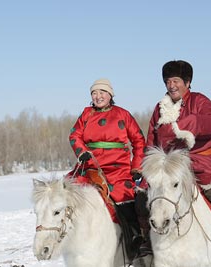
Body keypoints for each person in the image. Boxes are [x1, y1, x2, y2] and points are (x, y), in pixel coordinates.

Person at [146, 60, 211, 248]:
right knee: (145, 195)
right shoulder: (160, 108)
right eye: (167, 81)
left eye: (176, 81)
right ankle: (145, 239)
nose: (171, 85)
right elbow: (152, 137)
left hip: (201, 158)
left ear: (187, 82)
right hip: (170, 164)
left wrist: (189, 123)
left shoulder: (199, 100)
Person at [67, 78, 149, 257]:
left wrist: (137, 167)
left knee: (123, 196)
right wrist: (81, 152)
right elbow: (74, 135)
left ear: (110, 94)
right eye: (94, 93)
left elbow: (139, 141)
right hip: (91, 165)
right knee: (68, 192)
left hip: (117, 166)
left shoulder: (123, 114)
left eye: (102, 92)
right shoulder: (86, 114)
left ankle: (136, 238)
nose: (98, 96)